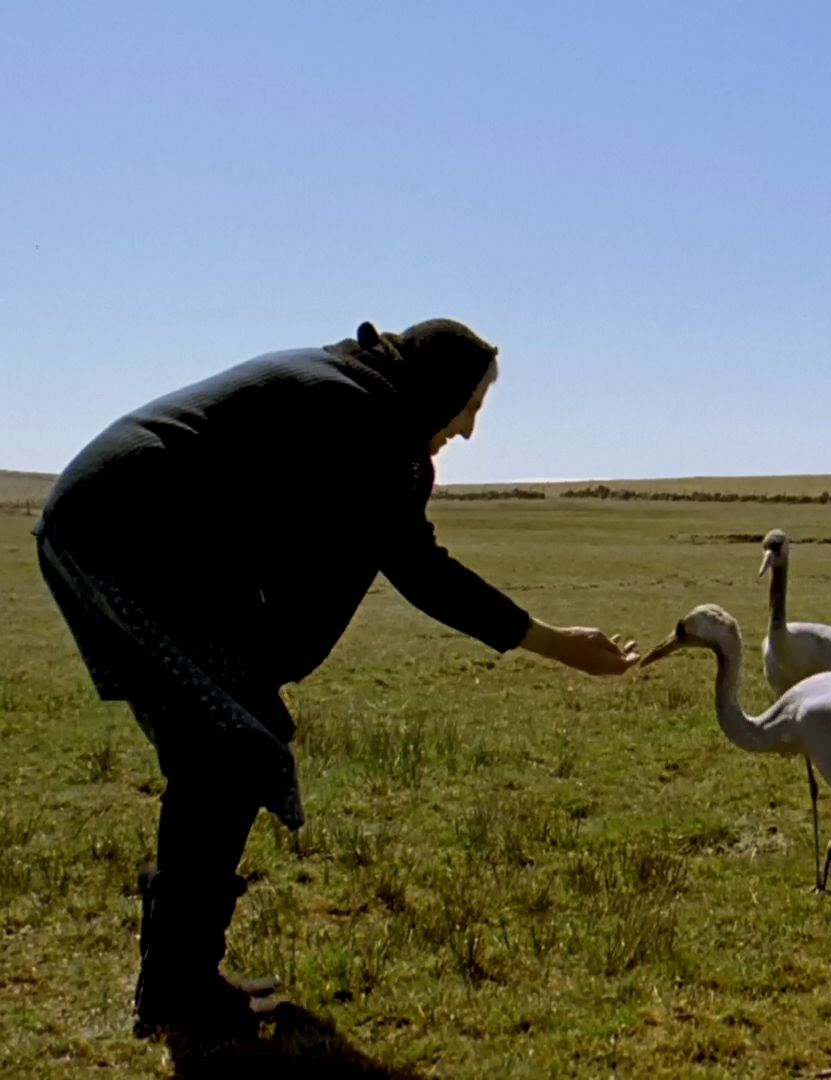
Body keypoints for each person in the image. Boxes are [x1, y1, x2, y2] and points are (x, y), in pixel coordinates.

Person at [33, 318, 638, 1036]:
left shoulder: (352, 396)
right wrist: (552, 642)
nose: (469, 431)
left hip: (113, 517)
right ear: (438, 391)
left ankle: (178, 985)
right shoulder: (369, 421)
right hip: (131, 525)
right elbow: (418, 568)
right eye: (469, 408)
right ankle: (179, 993)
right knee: (230, 749)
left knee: (224, 747)